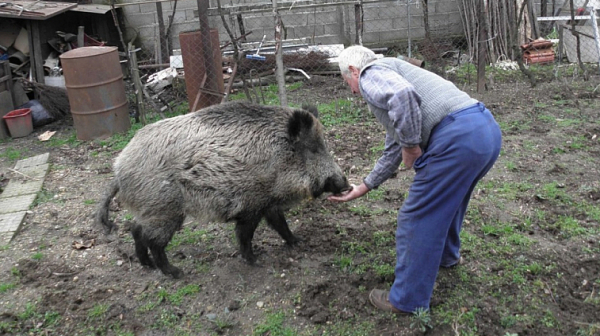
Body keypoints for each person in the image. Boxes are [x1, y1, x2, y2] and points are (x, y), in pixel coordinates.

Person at [328, 45, 502, 314]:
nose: (352, 90)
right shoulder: (395, 75)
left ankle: (406, 299)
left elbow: (401, 96)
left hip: (456, 138)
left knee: (416, 218)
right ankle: (447, 256)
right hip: (484, 130)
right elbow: (393, 146)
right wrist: (363, 187)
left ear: (353, 70)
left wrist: (411, 146)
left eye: (347, 82)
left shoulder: (370, 72)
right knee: (449, 202)